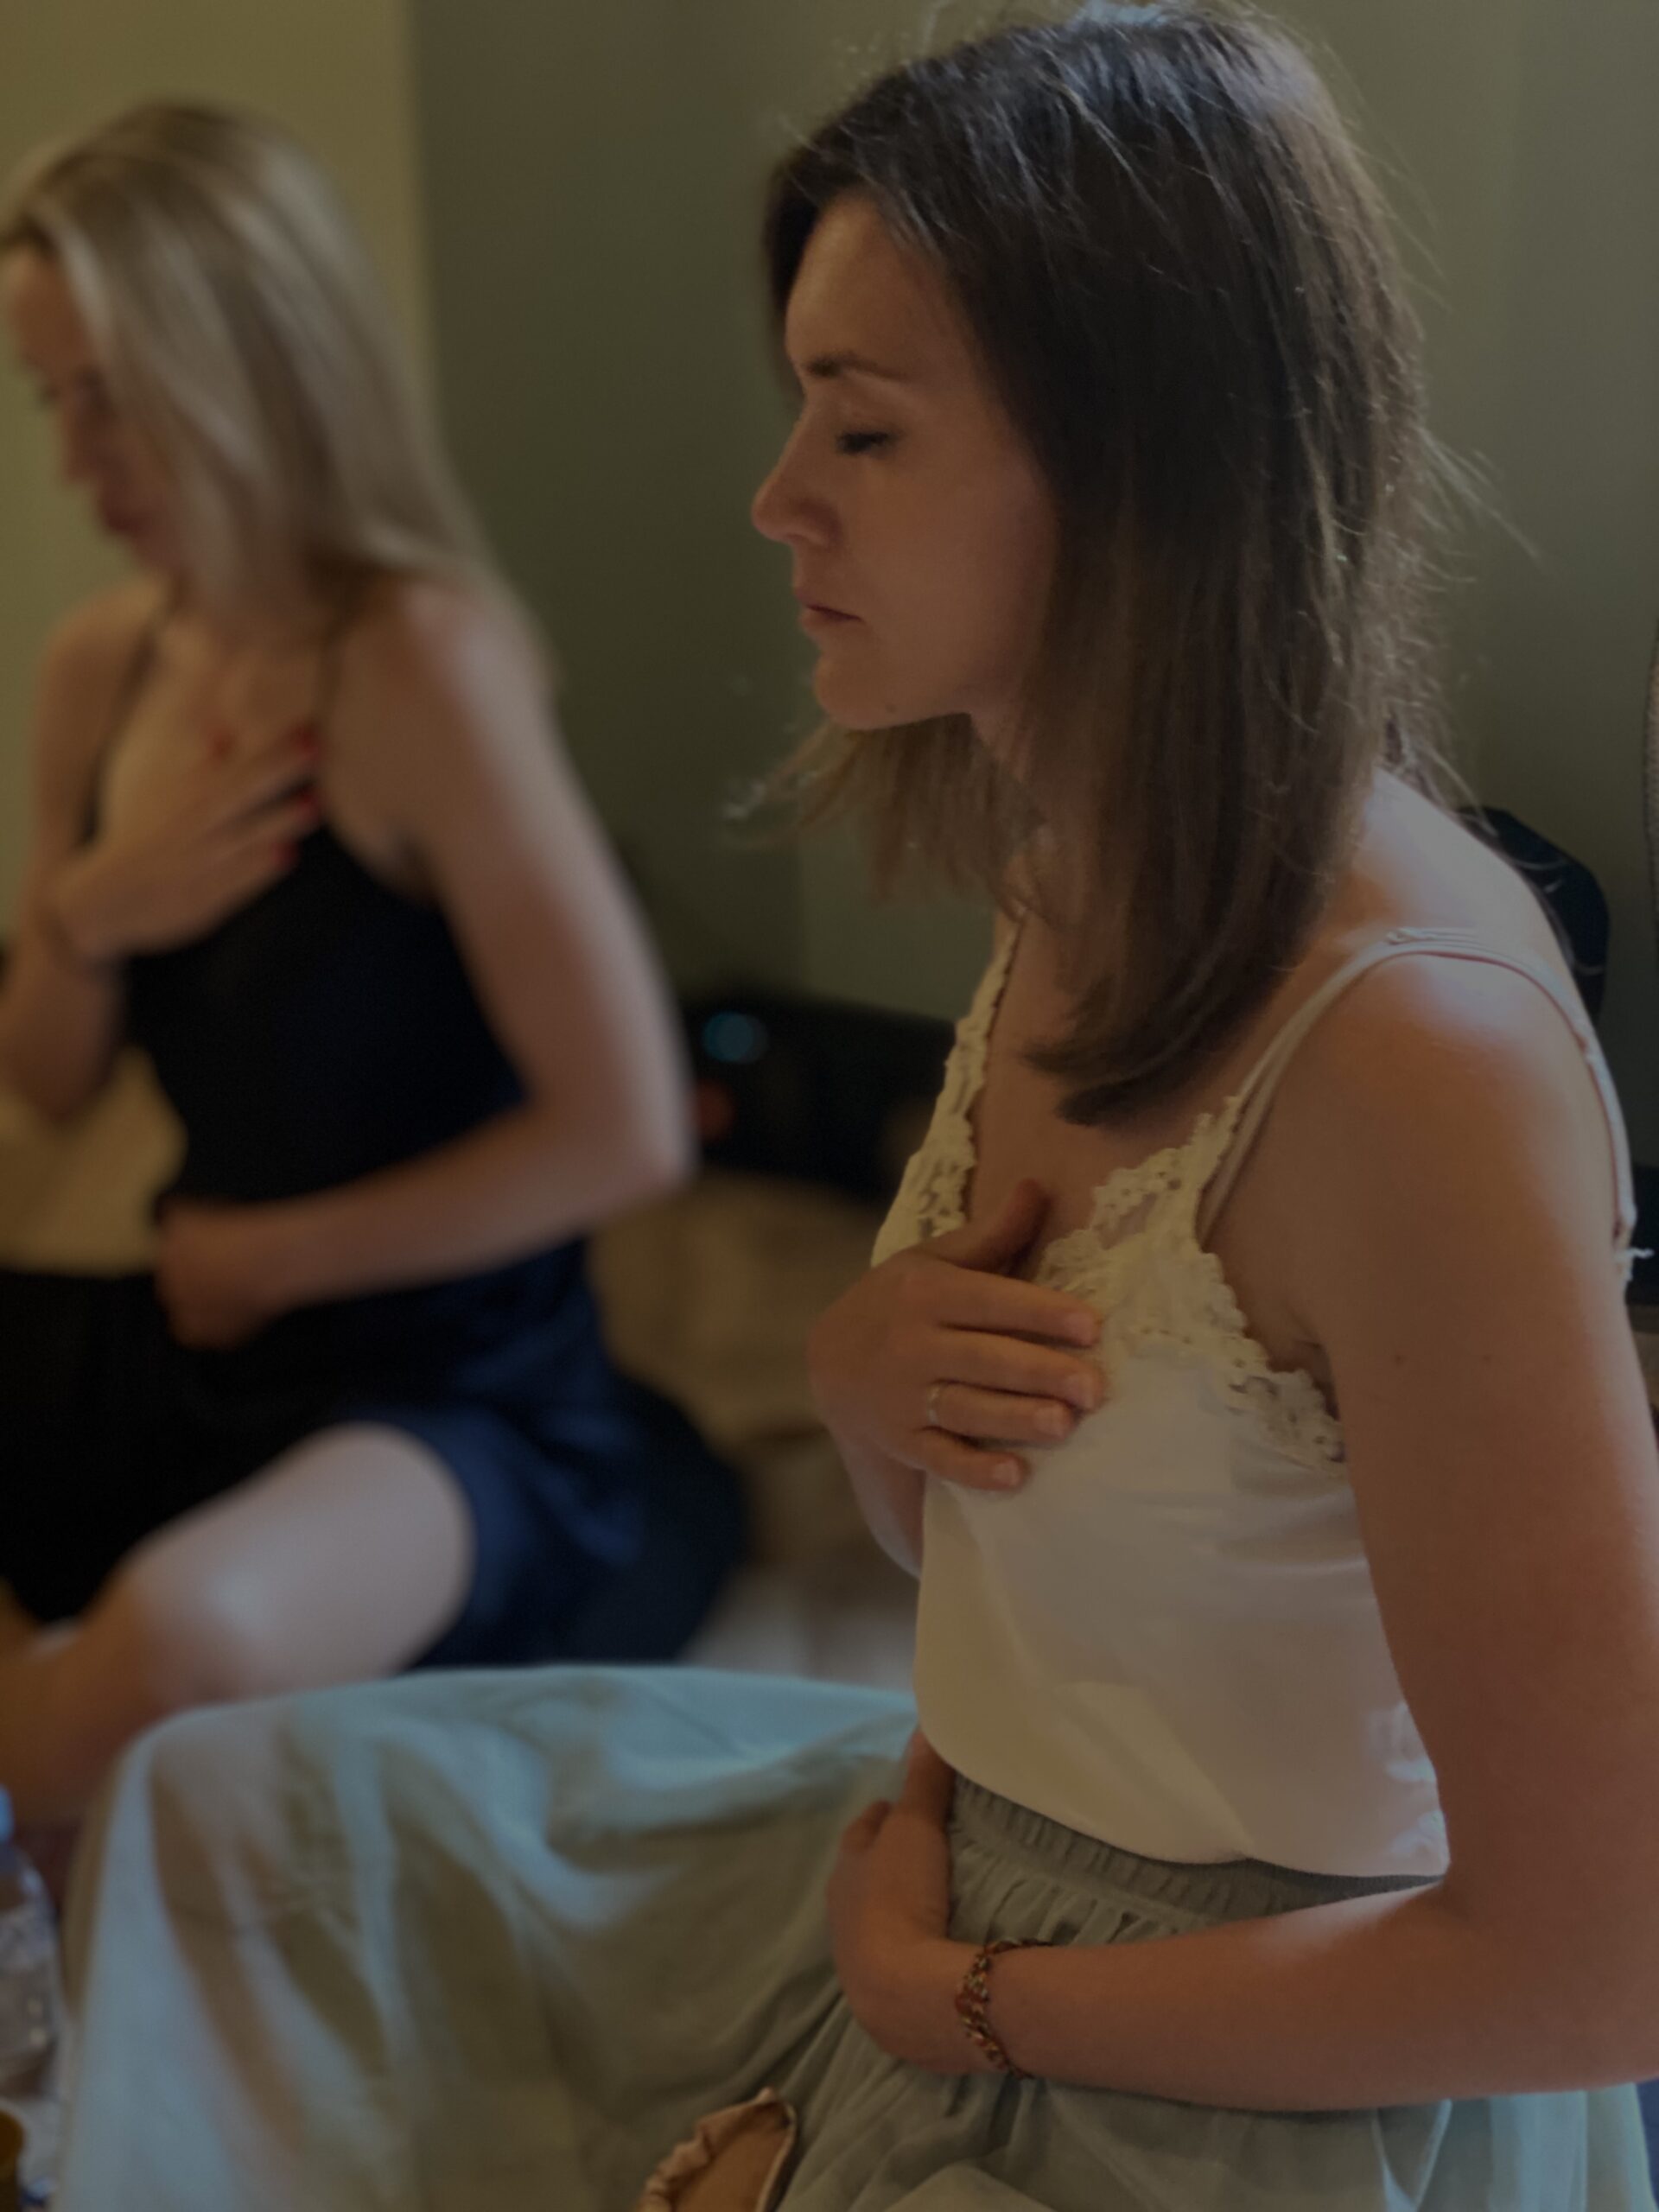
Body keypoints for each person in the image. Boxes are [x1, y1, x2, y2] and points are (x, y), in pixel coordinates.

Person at [48, 10, 1659, 2207]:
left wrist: (965, 1997)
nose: (777, 494)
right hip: (966, 1846)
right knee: (245, 1809)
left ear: (1139, 458)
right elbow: (1044, 1537)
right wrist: (863, 1380)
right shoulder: (1072, 871)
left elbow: (1596, 1961)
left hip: (1245, 2052)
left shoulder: (1419, 1055)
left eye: (864, 426)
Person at [0, 102, 745, 1833]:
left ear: (250, 367)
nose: (79, 465)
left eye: (114, 398)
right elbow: (45, 1078)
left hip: (448, 1387)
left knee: (181, 1639)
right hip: (198, 1336)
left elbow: (628, 1130)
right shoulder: (102, 667)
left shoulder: (423, 664)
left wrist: (277, 1253)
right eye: (52, 400)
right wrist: (89, 911)